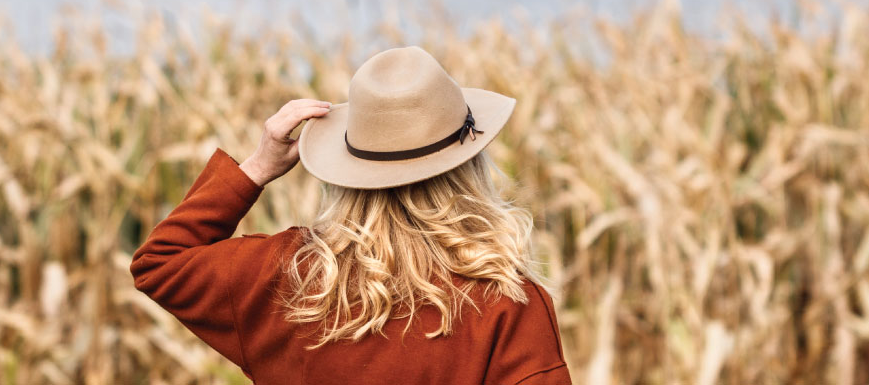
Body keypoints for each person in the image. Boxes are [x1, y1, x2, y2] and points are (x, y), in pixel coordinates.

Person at [132, 46, 572, 384]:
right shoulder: (507, 305)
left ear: (350, 167)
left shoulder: (288, 276)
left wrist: (257, 167)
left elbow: (160, 263)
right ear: (470, 167)